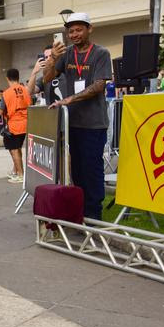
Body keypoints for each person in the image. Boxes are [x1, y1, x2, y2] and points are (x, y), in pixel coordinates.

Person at [43, 12, 112, 220]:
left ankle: (94, 216)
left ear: (89, 29)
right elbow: (47, 78)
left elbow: (99, 85)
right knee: (77, 172)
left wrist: (70, 99)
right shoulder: (66, 54)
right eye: (70, 31)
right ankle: (80, 214)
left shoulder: (101, 53)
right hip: (72, 123)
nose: (74, 34)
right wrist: (53, 57)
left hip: (93, 123)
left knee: (92, 169)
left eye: (79, 29)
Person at [0, 69, 32, 183]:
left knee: (14, 150)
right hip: (26, 123)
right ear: (18, 76)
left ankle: (21, 175)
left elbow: (0, 112)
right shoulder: (25, 90)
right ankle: (16, 171)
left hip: (14, 125)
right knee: (18, 148)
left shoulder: (6, 93)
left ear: (7, 78)